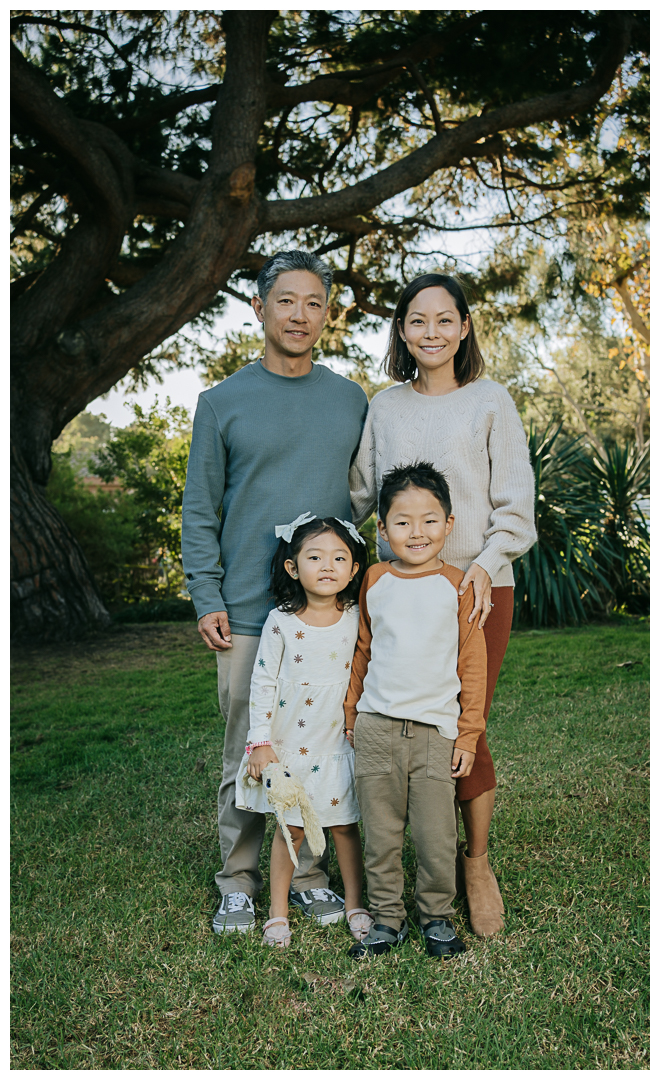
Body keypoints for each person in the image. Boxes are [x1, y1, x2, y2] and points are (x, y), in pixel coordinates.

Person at [182, 250, 368, 934]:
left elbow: (360, 498)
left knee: (317, 745)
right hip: (248, 614)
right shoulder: (221, 403)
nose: (300, 314)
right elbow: (199, 510)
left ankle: (311, 872)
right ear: (259, 310)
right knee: (251, 750)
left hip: (323, 616)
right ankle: (237, 878)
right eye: (285, 301)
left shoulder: (349, 399)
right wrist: (207, 594)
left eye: (314, 302)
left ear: (327, 314)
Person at [350, 274, 536, 938]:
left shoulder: (490, 401)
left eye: (444, 320)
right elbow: (363, 496)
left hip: (479, 587)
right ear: (402, 331)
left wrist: (483, 566)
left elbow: (516, 502)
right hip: (402, 590)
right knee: (409, 714)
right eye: (417, 321)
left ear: (464, 327)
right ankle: (407, 862)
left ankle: (476, 863)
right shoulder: (385, 407)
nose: (431, 332)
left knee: (465, 721)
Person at [345, 462, 487, 959]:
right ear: (382, 529)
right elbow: (363, 650)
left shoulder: (459, 586)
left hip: (435, 734)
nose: (417, 532)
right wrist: (351, 716)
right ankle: (387, 919)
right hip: (377, 727)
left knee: (435, 836)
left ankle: (437, 918)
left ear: (450, 524)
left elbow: (472, 666)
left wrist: (467, 736)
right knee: (380, 834)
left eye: (430, 520)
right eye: (402, 522)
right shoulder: (375, 580)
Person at [236, 515, 373, 947]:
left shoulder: (355, 617)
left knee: (346, 825)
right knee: (289, 828)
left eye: (339, 557)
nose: (327, 565)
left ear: (354, 569)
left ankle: (355, 904)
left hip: (337, 742)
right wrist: (260, 743)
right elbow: (262, 682)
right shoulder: (281, 622)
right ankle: (278, 915)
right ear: (293, 568)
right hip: (291, 746)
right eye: (315, 557)